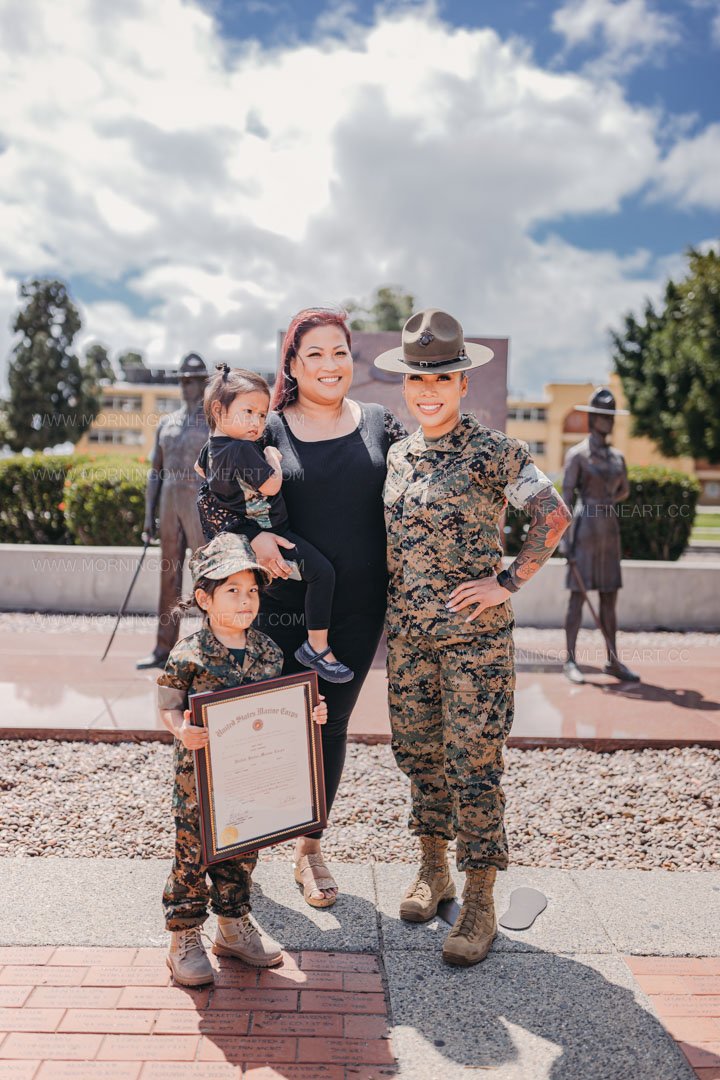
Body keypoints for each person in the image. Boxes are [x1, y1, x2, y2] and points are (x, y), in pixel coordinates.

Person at [376, 309, 571, 967]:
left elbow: (553, 514)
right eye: (416, 378)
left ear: (462, 384)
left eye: (441, 378)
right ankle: (435, 873)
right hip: (408, 643)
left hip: (473, 646)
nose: (427, 390)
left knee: (474, 767)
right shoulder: (399, 455)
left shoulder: (496, 453)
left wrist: (507, 581)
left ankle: (481, 900)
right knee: (420, 758)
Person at [219, 306, 407, 908]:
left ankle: (309, 848)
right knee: (258, 727)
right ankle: (237, 854)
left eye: (339, 352)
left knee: (329, 724)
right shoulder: (266, 428)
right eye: (314, 354)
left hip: (355, 608)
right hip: (275, 610)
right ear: (293, 366)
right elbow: (217, 503)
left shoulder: (380, 423)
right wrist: (253, 539)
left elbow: (425, 490)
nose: (330, 365)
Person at [156, 531, 328, 986]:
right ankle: (185, 936)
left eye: (252, 590)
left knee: (241, 851)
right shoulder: (187, 654)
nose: (245, 600)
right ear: (204, 598)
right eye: (231, 590)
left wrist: (310, 713)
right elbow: (168, 706)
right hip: (198, 782)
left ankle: (232, 926)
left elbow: (280, 708)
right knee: (192, 857)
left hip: (250, 782)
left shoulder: (268, 651)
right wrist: (180, 728)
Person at [195, 363, 353, 684]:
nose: (256, 422)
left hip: (240, 542)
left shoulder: (210, 449)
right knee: (322, 573)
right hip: (273, 534)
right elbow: (271, 486)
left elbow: (202, 475)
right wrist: (272, 457)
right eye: (248, 411)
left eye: (262, 414)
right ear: (217, 409)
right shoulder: (241, 449)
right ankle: (317, 646)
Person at [561, 386, 639, 684]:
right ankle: (570, 659)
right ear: (592, 418)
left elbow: (624, 490)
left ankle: (613, 661)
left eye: (611, 416)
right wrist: (564, 540)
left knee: (609, 598)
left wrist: (605, 504)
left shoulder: (618, 457)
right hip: (584, 531)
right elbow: (566, 498)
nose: (607, 421)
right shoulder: (577, 455)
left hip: (609, 530)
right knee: (577, 599)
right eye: (602, 415)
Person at [137, 352, 209, 670]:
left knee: (207, 577)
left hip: (198, 503)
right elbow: (155, 472)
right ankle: (163, 648)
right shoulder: (167, 423)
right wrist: (147, 516)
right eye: (182, 380)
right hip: (168, 503)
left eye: (191, 381)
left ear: (203, 383)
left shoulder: (213, 421)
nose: (185, 386)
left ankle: (214, 648)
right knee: (169, 578)